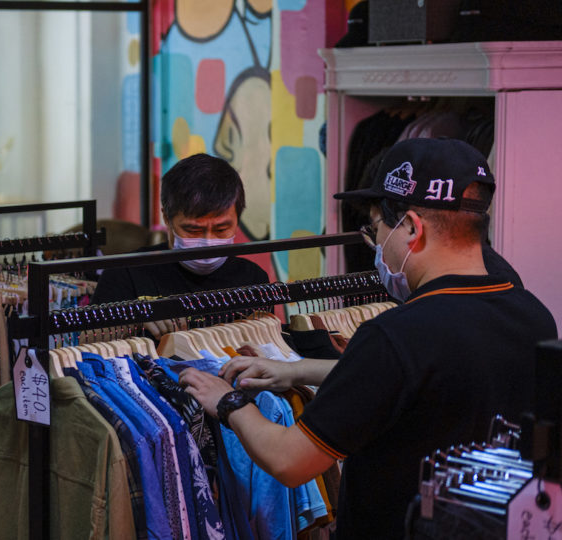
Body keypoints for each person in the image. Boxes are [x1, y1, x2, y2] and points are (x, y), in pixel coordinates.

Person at [178, 138, 558, 539]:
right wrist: (295, 371)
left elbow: (289, 460)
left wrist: (230, 401)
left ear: (411, 227)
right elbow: (429, 379)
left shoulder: (395, 335)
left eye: (376, 227)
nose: (376, 243)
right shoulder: (534, 316)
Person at [92, 153, 269, 335]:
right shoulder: (125, 273)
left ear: (237, 219)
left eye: (221, 229)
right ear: (167, 219)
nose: (208, 242)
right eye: (193, 230)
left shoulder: (253, 279)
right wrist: (134, 322)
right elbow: (86, 341)